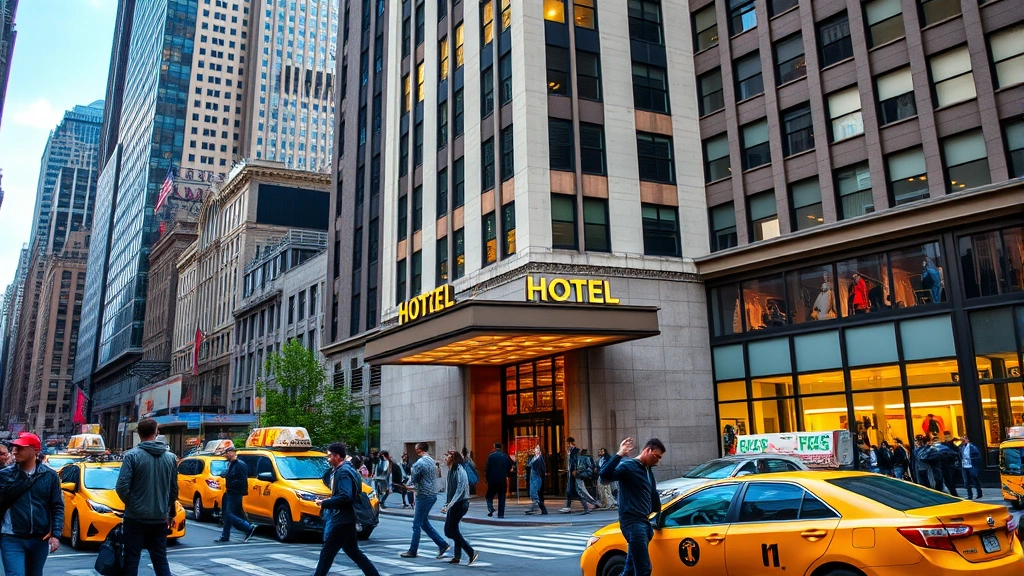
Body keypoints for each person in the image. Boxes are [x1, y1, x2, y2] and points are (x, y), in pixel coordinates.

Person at [115, 418, 178, 576]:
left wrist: (134, 505)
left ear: (139, 433)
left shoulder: (131, 456)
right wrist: (169, 512)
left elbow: (122, 487)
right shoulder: (170, 458)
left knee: (131, 560)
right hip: (158, 518)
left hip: (135, 519)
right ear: (156, 433)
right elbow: (174, 490)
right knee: (160, 560)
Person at [599, 438, 665, 576]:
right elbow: (604, 475)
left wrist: (656, 517)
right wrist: (620, 454)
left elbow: (652, 494)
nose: (658, 460)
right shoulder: (629, 466)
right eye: (656, 456)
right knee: (644, 569)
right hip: (633, 523)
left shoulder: (648, 470)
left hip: (643, 523)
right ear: (648, 450)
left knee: (629, 570)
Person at [0, 433, 63, 576]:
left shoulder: (50, 476)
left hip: (39, 540)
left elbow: (57, 506)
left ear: (35, 451)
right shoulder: (4, 476)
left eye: (20, 447)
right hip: (11, 538)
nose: (15, 451)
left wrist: (56, 534)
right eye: (14, 447)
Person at [313, 443, 380, 576]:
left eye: (330, 455)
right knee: (353, 552)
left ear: (337, 456)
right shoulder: (346, 469)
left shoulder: (343, 472)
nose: (328, 458)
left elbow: (345, 496)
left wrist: (325, 503)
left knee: (327, 553)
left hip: (342, 519)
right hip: (347, 518)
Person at [400, 443, 449, 559]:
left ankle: (413, 550)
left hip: (423, 495)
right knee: (423, 523)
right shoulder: (432, 461)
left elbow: (414, 480)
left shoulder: (419, 463)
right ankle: (442, 544)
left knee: (417, 524)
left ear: (418, 450)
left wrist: (408, 487)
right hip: (432, 494)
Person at [440, 451, 479, 565]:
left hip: (460, 504)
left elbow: (459, 490)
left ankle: (471, 552)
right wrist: (447, 504)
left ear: (452, 458)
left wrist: (449, 505)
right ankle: (457, 557)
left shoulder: (460, 471)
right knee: (454, 530)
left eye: (447, 456)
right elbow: (450, 491)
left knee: (449, 531)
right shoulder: (451, 470)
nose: (445, 458)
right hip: (454, 504)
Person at [215, 446, 256, 543]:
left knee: (229, 514)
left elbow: (242, 480)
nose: (226, 455)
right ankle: (225, 536)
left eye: (227, 453)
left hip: (235, 493)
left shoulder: (239, 464)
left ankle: (248, 527)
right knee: (233, 514)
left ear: (233, 452)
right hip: (231, 492)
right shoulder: (231, 464)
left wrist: (235, 488)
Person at [560, 437, 597, 514]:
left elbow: (576, 462)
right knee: (570, 491)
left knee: (578, 491)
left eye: (567, 443)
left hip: (575, 474)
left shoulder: (576, 451)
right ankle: (568, 507)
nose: (566, 445)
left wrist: (575, 471)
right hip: (572, 474)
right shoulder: (570, 451)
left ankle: (586, 507)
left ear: (570, 443)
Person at [484, 442, 514, 518]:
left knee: (489, 496)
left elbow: (487, 469)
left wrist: (487, 479)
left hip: (493, 480)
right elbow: (510, 466)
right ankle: (501, 514)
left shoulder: (491, 456)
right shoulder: (505, 456)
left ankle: (491, 509)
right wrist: (505, 473)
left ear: (494, 447)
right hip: (502, 479)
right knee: (502, 497)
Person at [526, 445, 548, 515]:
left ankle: (537, 508)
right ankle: (538, 508)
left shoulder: (540, 458)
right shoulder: (534, 458)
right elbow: (528, 465)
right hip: (533, 477)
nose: (535, 450)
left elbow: (542, 469)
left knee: (535, 493)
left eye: (537, 448)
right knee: (534, 493)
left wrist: (540, 475)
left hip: (537, 478)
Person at [959, 435, 983, 499]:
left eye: (965, 439)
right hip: (964, 466)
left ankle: (979, 493)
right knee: (966, 481)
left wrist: (975, 466)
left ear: (968, 440)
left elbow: (977, 457)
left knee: (974, 479)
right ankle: (970, 495)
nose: (963, 441)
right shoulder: (961, 447)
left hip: (971, 465)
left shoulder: (972, 447)